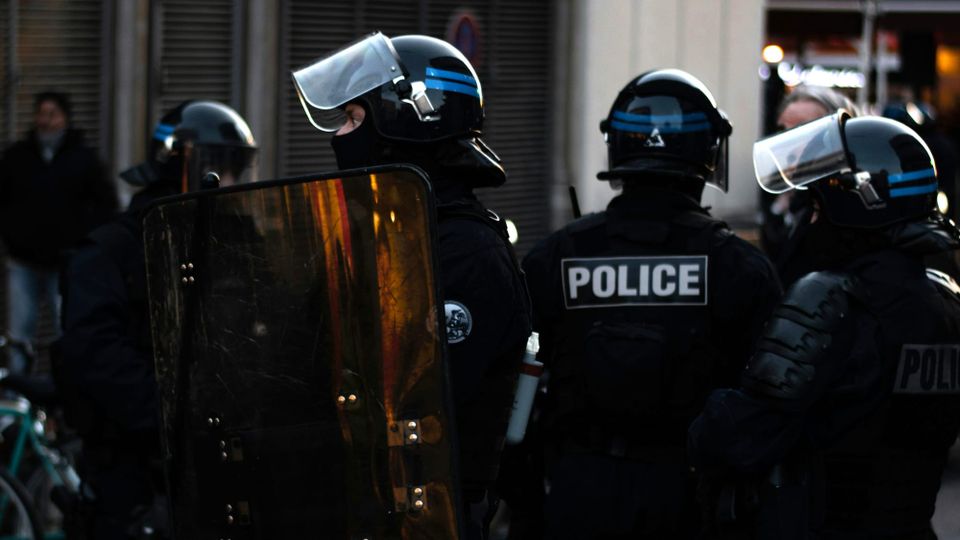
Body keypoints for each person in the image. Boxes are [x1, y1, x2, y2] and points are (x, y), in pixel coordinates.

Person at [520, 69, 782, 539]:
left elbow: (517, 395)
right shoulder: (740, 268)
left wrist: (523, 500)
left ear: (617, 146)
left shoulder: (554, 257)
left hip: (578, 490)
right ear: (708, 152)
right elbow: (765, 408)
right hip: (690, 494)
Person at [292, 33, 532, 539]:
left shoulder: (466, 252)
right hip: (358, 502)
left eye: (354, 119)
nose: (339, 136)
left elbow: (420, 397)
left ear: (403, 123)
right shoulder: (386, 231)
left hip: (428, 513)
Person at [689, 111, 960, 539]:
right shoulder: (945, 301)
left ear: (858, 206)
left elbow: (738, 437)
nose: (810, 222)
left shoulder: (831, 300)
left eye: (816, 208)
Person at [57, 100, 258, 540]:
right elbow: (95, 353)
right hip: (135, 473)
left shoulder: (234, 240)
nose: (231, 182)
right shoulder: (112, 251)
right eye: (220, 167)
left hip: (226, 461)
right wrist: (172, 416)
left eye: (236, 169)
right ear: (179, 164)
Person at [0, 91, 116, 374]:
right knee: (19, 336)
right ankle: (20, 393)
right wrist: (12, 236)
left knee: (67, 331)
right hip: (23, 260)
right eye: (41, 114)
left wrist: (83, 244)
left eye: (52, 114)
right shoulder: (18, 157)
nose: (46, 121)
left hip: (65, 263)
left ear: (64, 118)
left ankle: (63, 397)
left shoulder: (83, 159)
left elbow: (105, 205)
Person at [761, 85, 858, 285]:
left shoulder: (844, 209)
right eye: (783, 130)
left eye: (801, 130)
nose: (786, 143)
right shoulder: (781, 200)